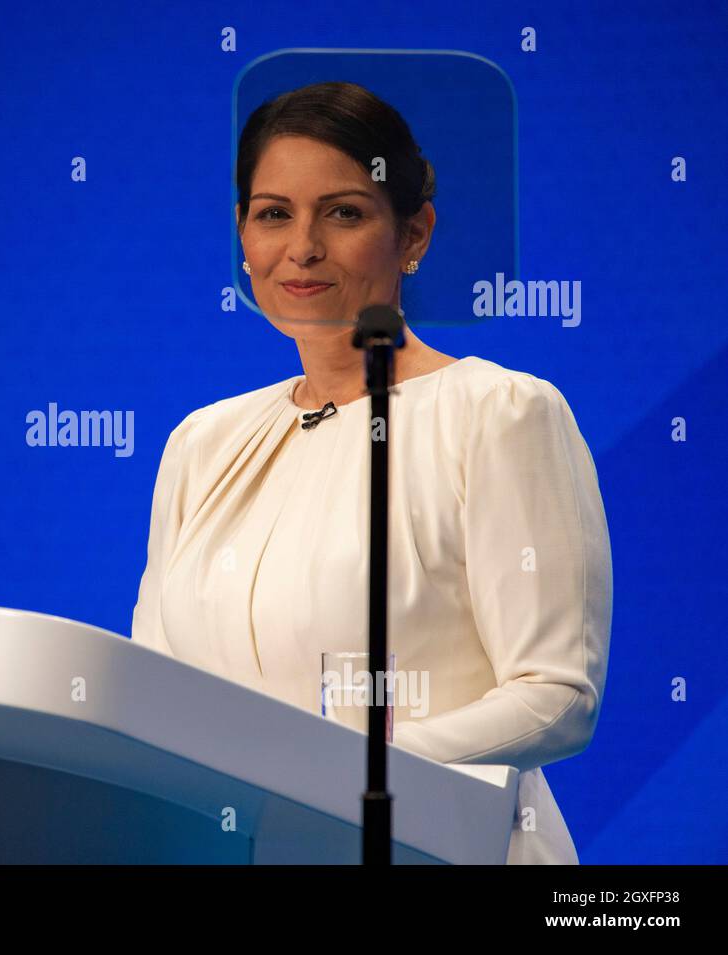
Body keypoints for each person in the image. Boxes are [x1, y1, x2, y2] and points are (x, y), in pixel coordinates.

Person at [130, 81, 612, 864]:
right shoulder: (203, 442)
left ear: (413, 233)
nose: (303, 247)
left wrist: (332, 774)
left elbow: (557, 696)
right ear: (242, 236)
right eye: (273, 213)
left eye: (344, 212)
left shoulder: (499, 413)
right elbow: (153, 691)